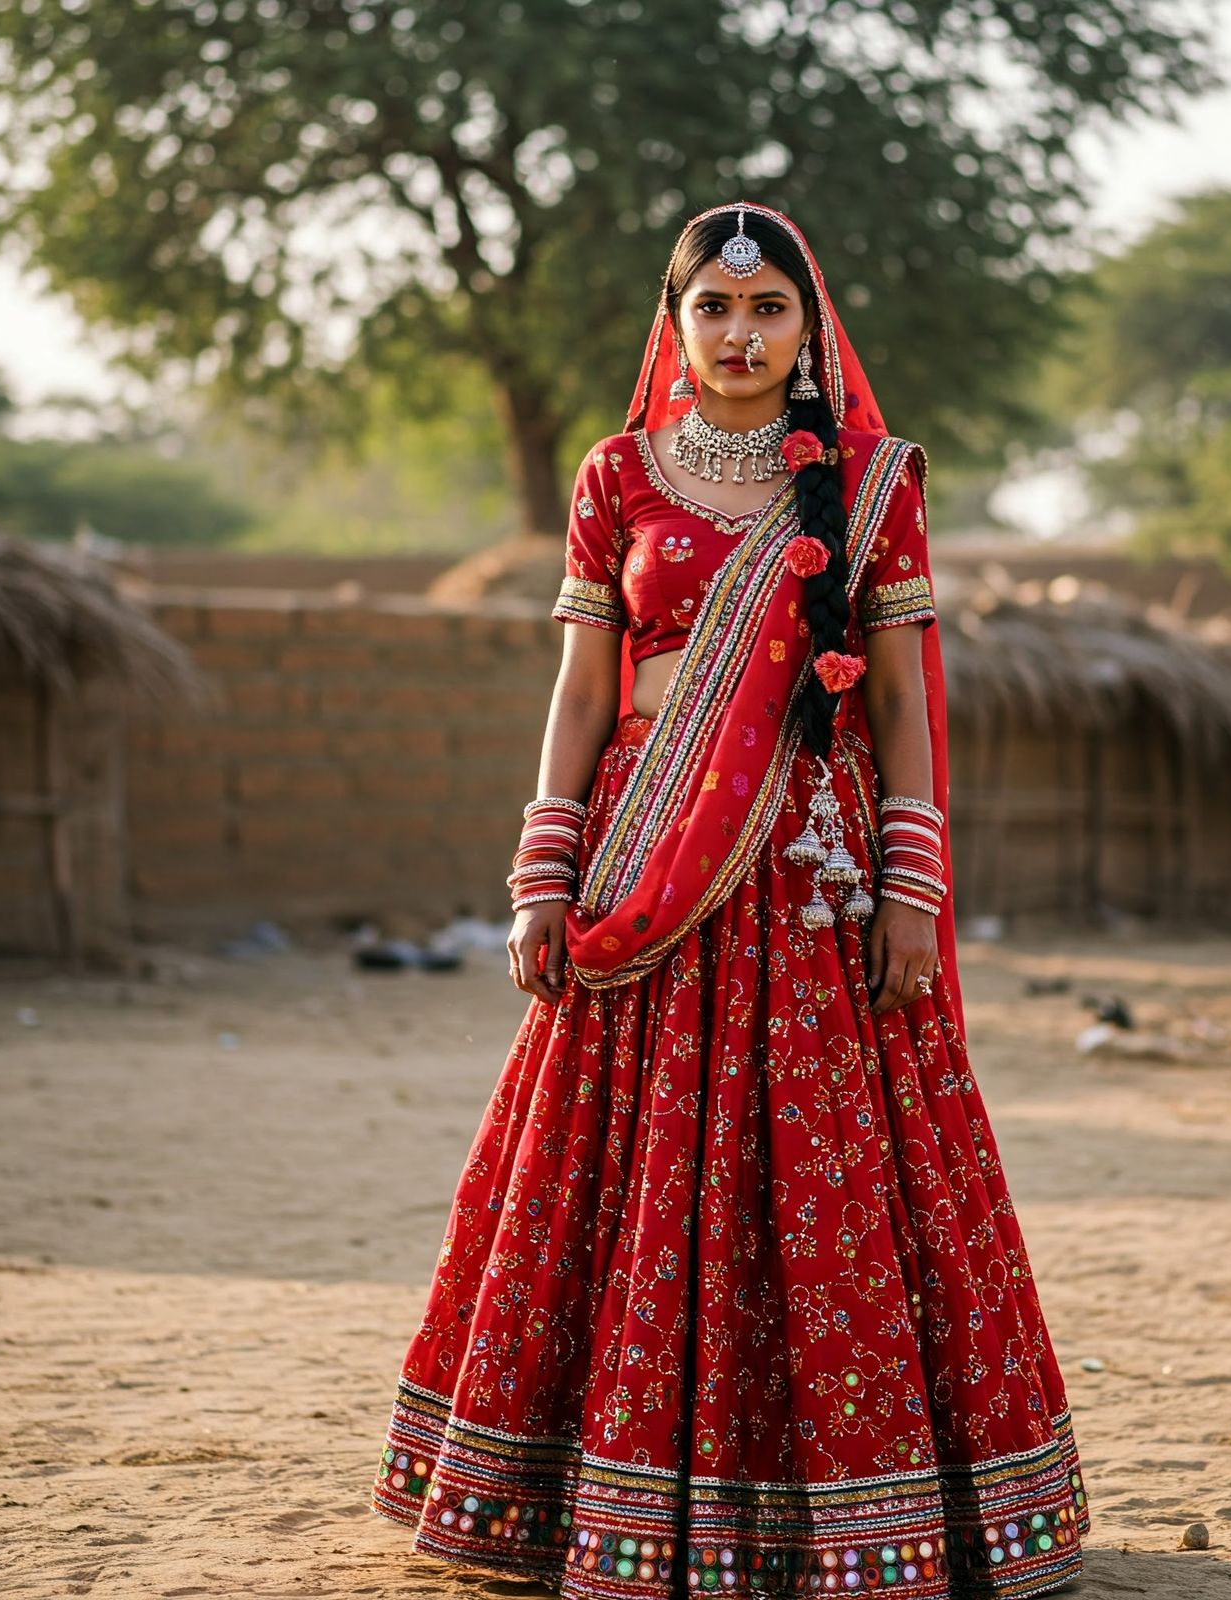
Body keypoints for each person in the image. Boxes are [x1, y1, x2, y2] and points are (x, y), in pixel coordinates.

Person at [369, 201, 1089, 1598]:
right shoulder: (616, 475)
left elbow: (898, 698)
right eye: (717, 308)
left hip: (814, 878)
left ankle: (858, 1523)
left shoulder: (872, 484)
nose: (743, 334)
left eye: (770, 312)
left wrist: (914, 882)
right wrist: (542, 870)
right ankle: (566, 1504)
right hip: (642, 871)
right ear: (676, 320)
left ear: (809, 329)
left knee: (831, 1178)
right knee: (612, 1173)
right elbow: (582, 690)